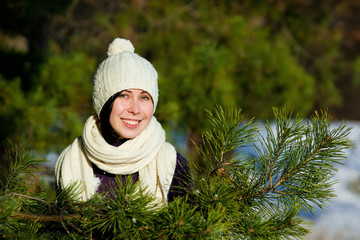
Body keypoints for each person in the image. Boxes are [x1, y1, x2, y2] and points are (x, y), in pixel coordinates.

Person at [55, 38, 190, 203]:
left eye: (144, 97)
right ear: (104, 101)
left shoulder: (170, 164)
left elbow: (192, 227)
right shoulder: (72, 160)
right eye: (124, 95)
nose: (135, 109)